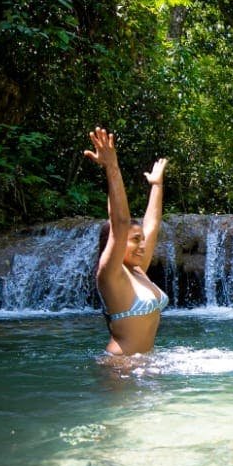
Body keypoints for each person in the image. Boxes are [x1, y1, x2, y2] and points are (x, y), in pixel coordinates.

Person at [83, 126, 169, 355]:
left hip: (146, 363)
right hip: (120, 368)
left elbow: (151, 225)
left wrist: (156, 185)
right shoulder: (110, 274)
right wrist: (112, 167)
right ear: (117, 242)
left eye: (142, 240)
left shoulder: (138, 269)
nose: (143, 244)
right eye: (135, 240)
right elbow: (120, 222)